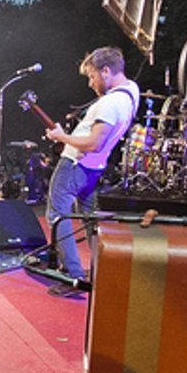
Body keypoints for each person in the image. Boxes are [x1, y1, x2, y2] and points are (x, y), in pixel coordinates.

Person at [42, 46, 139, 290]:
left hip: (75, 164)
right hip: (95, 169)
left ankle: (73, 275)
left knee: (57, 215)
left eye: (92, 76)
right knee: (90, 219)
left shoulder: (109, 103)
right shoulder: (132, 92)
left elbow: (94, 143)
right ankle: (103, 270)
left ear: (106, 71)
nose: (90, 83)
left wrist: (61, 137)